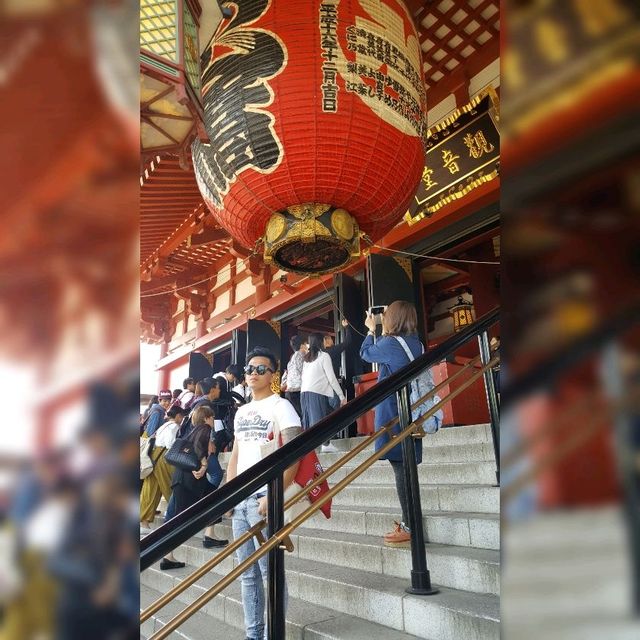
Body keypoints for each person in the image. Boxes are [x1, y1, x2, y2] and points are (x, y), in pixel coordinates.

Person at [225, 347, 302, 640]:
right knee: (247, 575)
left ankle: (274, 633)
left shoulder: (281, 406)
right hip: (241, 498)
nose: (253, 374)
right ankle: (253, 635)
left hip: (263, 497)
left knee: (271, 571)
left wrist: (273, 496)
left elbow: (295, 454)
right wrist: (230, 494)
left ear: (273, 374)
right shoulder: (241, 411)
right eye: (249, 369)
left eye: (261, 369)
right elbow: (235, 455)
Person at [359, 300, 425, 548]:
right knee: (408, 467)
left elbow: (365, 353)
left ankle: (410, 526)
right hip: (413, 411)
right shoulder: (416, 343)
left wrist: (370, 328)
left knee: (400, 468)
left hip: (393, 412)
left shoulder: (389, 343)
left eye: (385, 315)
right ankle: (413, 522)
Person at [160, 405, 216, 570]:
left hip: (181, 479)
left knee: (215, 498)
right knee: (180, 520)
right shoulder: (204, 429)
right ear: (206, 418)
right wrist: (203, 465)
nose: (213, 420)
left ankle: (210, 534)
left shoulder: (191, 430)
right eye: (211, 417)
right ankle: (167, 556)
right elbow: (199, 449)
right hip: (189, 481)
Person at [139, 404, 186, 534]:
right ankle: (177, 516)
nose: (182, 419)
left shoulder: (163, 426)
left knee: (150, 489)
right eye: (181, 416)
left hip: (153, 457)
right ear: (178, 416)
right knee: (171, 487)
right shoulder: (174, 427)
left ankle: (144, 521)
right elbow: (171, 443)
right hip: (165, 457)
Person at [300, 334, 345, 451]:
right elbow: (331, 378)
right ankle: (325, 444)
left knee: (312, 420)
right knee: (321, 418)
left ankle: (320, 444)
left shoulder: (307, 359)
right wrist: (341, 395)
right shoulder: (324, 356)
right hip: (317, 392)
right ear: (321, 342)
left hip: (305, 392)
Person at [281, 335, 307, 417]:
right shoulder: (302, 355)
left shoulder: (291, 359)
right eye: (306, 344)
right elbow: (304, 372)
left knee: (297, 416)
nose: (307, 346)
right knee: (304, 416)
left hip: (290, 391)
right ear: (302, 345)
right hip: (297, 391)